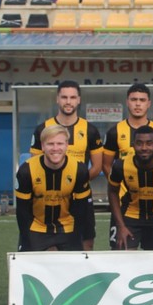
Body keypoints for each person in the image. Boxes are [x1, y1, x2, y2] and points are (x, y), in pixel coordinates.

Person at [29, 81, 103, 250]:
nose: (68, 101)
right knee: (50, 246)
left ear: (79, 100)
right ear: (57, 99)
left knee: (86, 244)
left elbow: (97, 167)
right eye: (64, 97)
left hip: (80, 197)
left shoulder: (90, 130)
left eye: (72, 97)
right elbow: (35, 164)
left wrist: (74, 184)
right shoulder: (43, 129)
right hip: (50, 197)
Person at [15, 125, 92, 252]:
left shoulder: (79, 169)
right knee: (30, 267)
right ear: (42, 146)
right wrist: (26, 237)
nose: (55, 148)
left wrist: (78, 236)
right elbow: (22, 211)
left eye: (60, 143)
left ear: (67, 145)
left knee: (72, 269)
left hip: (67, 227)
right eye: (50, 144)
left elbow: (82, 209)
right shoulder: (26, 171)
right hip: (36, 227)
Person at [108, 127, 153, 251]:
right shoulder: (120, 165)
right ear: (133, 145)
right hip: (131, 214)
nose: (144, 148)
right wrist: (121, 226)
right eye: (139, 143)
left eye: (149, 143)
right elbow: (112, 191)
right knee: (123, 254)